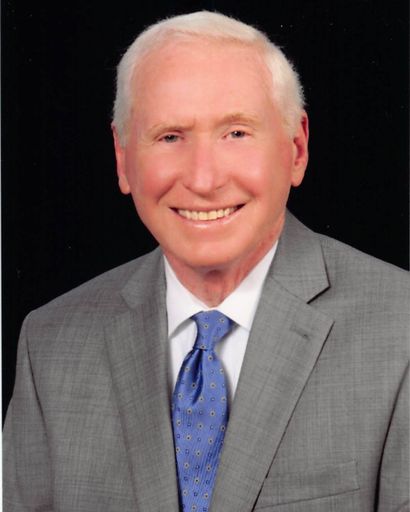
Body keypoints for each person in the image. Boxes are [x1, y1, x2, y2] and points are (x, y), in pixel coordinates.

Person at [3, 10, 409, 512]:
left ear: (297, 149)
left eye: (236, 133)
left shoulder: (400, 331)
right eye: (170, 136)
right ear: (123, 158)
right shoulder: (50, 346)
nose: (203, 179)